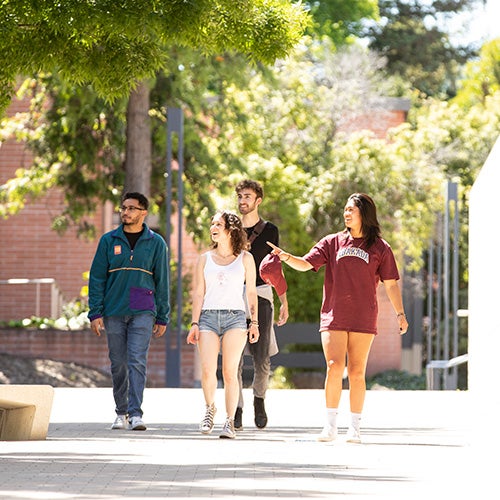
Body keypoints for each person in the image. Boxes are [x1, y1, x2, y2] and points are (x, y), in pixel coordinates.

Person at [268, 193, 408, 443]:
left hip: (364, 317)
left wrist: (400, 314)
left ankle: (354, 427)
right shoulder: (333, 242)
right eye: (345, 210)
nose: (346, 214)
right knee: (334, 368)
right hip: (333, 315)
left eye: (351, 210)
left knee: (356, 372)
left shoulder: (379, 247)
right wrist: (285, 256)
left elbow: (391, 284)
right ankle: (330, 426)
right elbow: (305, 263)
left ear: (364, 214)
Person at [88, 192, 170, 431]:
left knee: (136, 360)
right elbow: (96, 278)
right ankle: (120, 412)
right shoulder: (108, 240)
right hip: (114, 309)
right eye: (123, 208)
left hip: (143, 310)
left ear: (143, 213)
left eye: (131, 208)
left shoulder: (156, 243)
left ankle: (135, 414)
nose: (125, 212)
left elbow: (162, 281)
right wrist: (95, 312)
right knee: (118, 363)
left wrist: (163, 315)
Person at [186, 210, 260, 439]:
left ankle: (229, 420)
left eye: (218, 224)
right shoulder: (204, 259)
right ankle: (210, 409)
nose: (213, 228)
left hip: (235, 318)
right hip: (207, 317)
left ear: (231, 229)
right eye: (212, 224)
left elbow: (251, 293)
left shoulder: (246, 259)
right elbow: (198, 293)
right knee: (208, 370)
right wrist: (194, 322)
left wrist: (254, 322)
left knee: (230, 372)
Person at [234, 179, 289, 430]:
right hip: (234, 295)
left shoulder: (270, 231)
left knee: (261, 356)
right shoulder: (229, 228)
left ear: (258, 200)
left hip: (262, 293)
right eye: (240, 196)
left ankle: (259, 400)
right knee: (233, 358)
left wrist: (283, 300)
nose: (243, 200)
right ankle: (235, 406)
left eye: (248, 196)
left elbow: (275, 268)